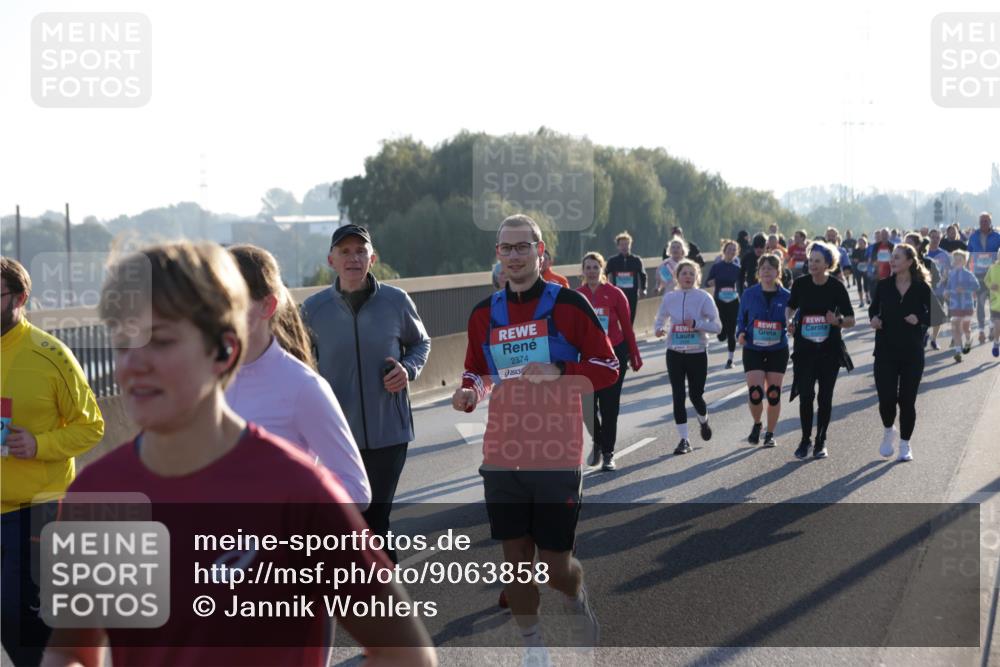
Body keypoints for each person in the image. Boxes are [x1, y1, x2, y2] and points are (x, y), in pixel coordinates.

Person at [43, 241, 435, 667]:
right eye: (123, 342)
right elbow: (70, 650)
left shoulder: (297, 488)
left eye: (162, 340)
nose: (133, 364)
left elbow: (408, 654)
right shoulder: (98, 492)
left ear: (224, 350)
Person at [451, 214, 617, 663]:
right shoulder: (484, 313)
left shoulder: (569, 306)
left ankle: (574, 596)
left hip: (557, 451)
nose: (515, 256)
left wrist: (561, 370)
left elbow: (608, 367)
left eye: (524, 247)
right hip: (503, 452)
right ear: (498, 256)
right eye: (507, 248)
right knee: (516, 561)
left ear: (541, 253)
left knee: (555, 566)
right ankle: (533, 647)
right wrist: (470, 391)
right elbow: (478, 371)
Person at [302, 224, 431, 563]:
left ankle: (383, 603)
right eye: (345, 252)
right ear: (332, 260)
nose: (353, 258)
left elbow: (420, 343)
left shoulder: (395, 301)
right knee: (347, 523)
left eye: (360, 251)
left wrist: (408, 369)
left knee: (374, 519)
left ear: (372, 258)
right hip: (336, 435)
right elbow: (298, 359)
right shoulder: (314, 310)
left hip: (389, 431)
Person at [1, 258, 105, 667]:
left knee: (14, 611)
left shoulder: (50, 355)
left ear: (20, 298)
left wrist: (39, 443)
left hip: (35, 508)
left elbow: (92, 426)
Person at [225, 245, 371, 506]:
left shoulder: (304, 387)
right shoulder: (200, 383)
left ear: (267, 306)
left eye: (230, 298)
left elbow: (357, 492)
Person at [787, 241, 856, 460]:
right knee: (805, 395)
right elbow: (791, 306)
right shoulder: (800, 284)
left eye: (817, 261)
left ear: (828, 263)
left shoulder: (836, 287)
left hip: (829, 351)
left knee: (825, 398)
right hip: (805, 350)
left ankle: (821, 440)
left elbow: (851, 320)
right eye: (810, 261)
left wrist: (837, 320)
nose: (812, 265)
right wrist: (788, 320)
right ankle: (805, 439)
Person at [578, 252, 643, 471]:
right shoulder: (577, 295)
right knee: (587, 407)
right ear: (583, 271)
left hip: (613, 354)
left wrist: (634, 354)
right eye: (588, 267)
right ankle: (598, 440)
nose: (592, 271)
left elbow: (627, 327)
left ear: (602, 269)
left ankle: (608, 454)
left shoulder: (615, 294)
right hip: (587, 358)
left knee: (609, 406)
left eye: (595, 267)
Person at [869, 244, 932, 462]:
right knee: (886, 400)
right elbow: (873, 309)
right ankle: (889, 431)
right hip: (885, 351)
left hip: (912, 354)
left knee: (907, 401)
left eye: (897, 258)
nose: (892, 261)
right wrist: (874, 320)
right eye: (891, 258)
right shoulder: (884, 285)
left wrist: (920, 319)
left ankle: (905, 444)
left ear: (909, 261)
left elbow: (936, 314)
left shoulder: (921, 288)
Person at [654, 259, 721, 454]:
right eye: (684, 273)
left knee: (695, 395)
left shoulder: (703, 298)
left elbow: (717, 326)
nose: (688, 277)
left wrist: (697, 323)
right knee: (678, 395)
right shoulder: (669, 298)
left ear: (697, 277)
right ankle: (684, 440)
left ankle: (704, 420)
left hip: (697, 353)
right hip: (674, 352)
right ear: (677, 276)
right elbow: (660, 319)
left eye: (692, 274)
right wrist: (659, 329)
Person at [736, 253, 791, 448]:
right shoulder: (749, 294)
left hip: (777, 349)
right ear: (758, 272)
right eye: (763, 268)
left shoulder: (787, 296)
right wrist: (740, 333)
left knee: (774, 393)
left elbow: (794, 319)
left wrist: (793, 326)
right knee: (756, 393)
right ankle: (758, 423)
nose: (767, 271)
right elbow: (741, 319)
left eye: (771, 268)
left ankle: (770, 433)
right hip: (753, 348)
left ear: (778, 272)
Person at [904, 233, 947, 350]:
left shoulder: (927, 262)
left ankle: (929, 339)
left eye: (909, 243)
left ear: (917, 246)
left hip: (923, 304)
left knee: (918, 339)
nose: (905, 245)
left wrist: (923, 284)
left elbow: (936, 279)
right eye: (904, 242)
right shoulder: (900, 262)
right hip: (905, 303)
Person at [706, 240, 741, 369]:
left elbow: (742, 285)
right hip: (719, 302)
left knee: (731, 332)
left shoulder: (738, 269)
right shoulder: (717, 267)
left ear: (736, 253)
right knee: (721, 335)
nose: (731, 252)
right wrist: (712, 282)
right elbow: (707, 282)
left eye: (734, 250)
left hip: (733, 302)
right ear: (724, 250)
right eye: (729, 249)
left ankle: (730, 360)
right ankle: (722, 332)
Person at [967, 212, 1000, 345]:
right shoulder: (973, 236)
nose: (984, 223)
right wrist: (968, 271)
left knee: (993, 303)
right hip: (978, 274)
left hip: (993, 275)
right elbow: (969, 254)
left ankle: (992, 327)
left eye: (986, 221)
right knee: (980, 303)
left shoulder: (997, 236)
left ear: (990, 222)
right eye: (982, 221)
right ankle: (981, 330)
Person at [943, 249, 979, 361]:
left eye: (960, 259)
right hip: (955, 306)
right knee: (956, 328)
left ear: (964, 261)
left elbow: (976, 286)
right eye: (955, 259)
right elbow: (948, 287)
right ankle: (958, 351)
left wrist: (965, 289)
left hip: (967, 305)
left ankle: (968, 340)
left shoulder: (968, 274)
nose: (957, 261)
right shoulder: (952, 274)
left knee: (965, 328)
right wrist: (946, 292)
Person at [605, 231, 647, 324]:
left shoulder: (636, 260)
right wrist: (606, 288)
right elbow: (604, 274)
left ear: (630, 245)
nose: (624, 247)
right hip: (617, 293)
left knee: (630, 317)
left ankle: (628, 336)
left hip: (632, 293)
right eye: (622, 244)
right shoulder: (612, 261)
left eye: (626, 244)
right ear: (618, 246)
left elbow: (643, 275)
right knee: (618, 317)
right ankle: (620, 336)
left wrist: (643, 289)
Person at [983, 249, 1000, 357]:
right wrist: (991, 286)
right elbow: (986, 280)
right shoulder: (993, 268)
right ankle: (996, 343)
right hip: (996, 303)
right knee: (998, 324)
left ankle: (992, 329)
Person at [851, 235, 872, 307]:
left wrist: (866, 262)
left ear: (865, 243)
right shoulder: (856, 251)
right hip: (858, 269)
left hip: (866, 269)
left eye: (861, 243)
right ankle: (861, 301)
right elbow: (853, 259)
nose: (860, 244)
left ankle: (867, 296)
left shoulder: (868, 250)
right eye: (859, 243)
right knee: (859, 284)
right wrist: (856, 261)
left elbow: (870, 259)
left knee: (866, 283)